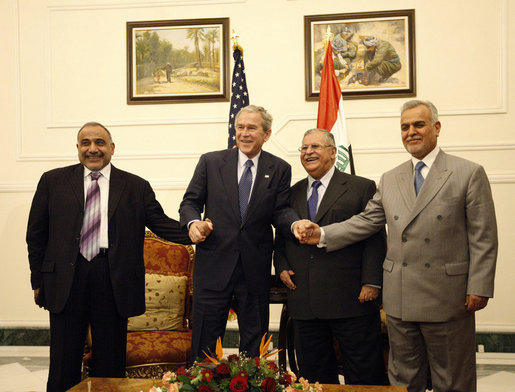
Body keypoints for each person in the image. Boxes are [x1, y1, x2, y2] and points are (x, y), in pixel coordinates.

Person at [296, 100, 498, 392]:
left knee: (452, 378)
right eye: (405, 127)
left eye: (419, 125)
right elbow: (366, 221)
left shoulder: (467, 172)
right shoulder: (391, 178)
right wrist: (323, 235)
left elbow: (484, 237)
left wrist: (478, 286)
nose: (411, 132)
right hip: (399, 297)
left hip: (447, 296)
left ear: (436, 128)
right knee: (403, 379)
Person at [26, 122, 191, 392]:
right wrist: (37, 279)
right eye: (86, 143)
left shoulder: (136, 186)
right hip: (66, 278)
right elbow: (36, 234)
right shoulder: (52, 181)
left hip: (113, 279)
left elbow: (161, 224)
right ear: (78, 148)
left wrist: (196, 231)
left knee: (110, 360)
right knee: (63, 361)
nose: (93, 149)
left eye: (100, 143)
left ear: (112, 148)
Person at [179, 105, 299, 362]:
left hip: (254, 269)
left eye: (251, 128)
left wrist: (294, 224)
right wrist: (193, 224)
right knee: (204, 346)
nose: (244, 133)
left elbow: (281, 212)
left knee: (254, 347)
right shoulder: (210, 162)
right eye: (240, 127)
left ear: (266, 134)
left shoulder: (279, 168)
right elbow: (190, 202)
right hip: (213, 266)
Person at [274, 128, 387, 385]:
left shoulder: (361, 187)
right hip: (305, 302)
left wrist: (372, 281)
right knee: (314, 379)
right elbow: (281, 236)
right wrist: (280, 265)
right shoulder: (291, 193)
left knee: (364, 376)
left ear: (334, 153)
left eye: (315, 146)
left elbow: (375, 237)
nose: (308, 152)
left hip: (351, 301)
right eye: (304, 148)